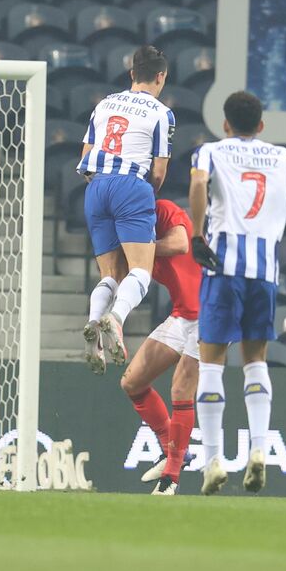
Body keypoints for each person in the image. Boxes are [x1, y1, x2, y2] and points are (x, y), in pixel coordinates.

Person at [189, 90, 286, 495]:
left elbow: (198, 182)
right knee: (255, 359)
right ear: (261, 126)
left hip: (223, 268)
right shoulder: (281, 158)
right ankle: (259, 449)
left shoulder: (211, 151)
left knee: (211, 362)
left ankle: (212, 461)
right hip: (265, 273)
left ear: (225, 123)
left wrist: (196, 232)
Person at [78, 46, 176, 372]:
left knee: (110, 274)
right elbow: (159, 170)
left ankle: (93, 323)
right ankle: (115, 319)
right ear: (161, 76)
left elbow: (87, 150)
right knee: (140, 272)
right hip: (130, 184)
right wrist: (144, 195)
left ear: (132, 73)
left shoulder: (104, 103)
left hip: (96, 186)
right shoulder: (162, 113)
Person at [118, 200, 200, 495]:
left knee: (180, 390)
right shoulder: (135, 249)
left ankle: (171, 477)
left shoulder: (162, 210)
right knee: (132, 382)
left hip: (211, 313)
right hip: (182, 315)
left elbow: (180, 244)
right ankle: (175, 450)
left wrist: (143, 247)